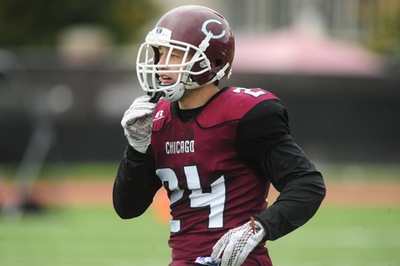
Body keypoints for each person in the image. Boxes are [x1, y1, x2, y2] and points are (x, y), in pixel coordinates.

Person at [113, 5, 326, 266]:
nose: (160, 65)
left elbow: (306, 183)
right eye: (160, 53)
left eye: (176, 54)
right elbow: (128, 208)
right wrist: (137, 149)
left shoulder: (244, 113)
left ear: (212, 61)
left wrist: (260, 227)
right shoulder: (157, 118)